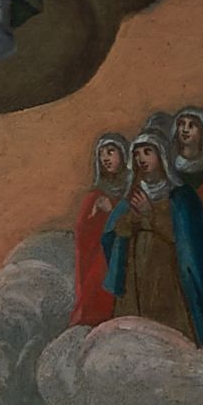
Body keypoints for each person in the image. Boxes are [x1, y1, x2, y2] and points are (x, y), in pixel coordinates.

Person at [101, 121, 203, 346]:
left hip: (170, 283)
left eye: (147, 152)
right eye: (137, 154)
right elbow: (113, 234)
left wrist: (150, 215)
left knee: (169, 342)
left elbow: (186, 241)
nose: (141, 159)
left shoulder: (182, 197)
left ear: (162, 156)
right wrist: (132, 219)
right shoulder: (133, 195)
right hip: (135, 282)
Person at [71, 132, 134, 329]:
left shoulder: (133, 188)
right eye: (101, 153)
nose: (105, 158)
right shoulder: (95, 195)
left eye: (111, 151)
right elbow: (83, 233)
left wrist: (112, 209)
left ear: (123, 154)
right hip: (98, 258)